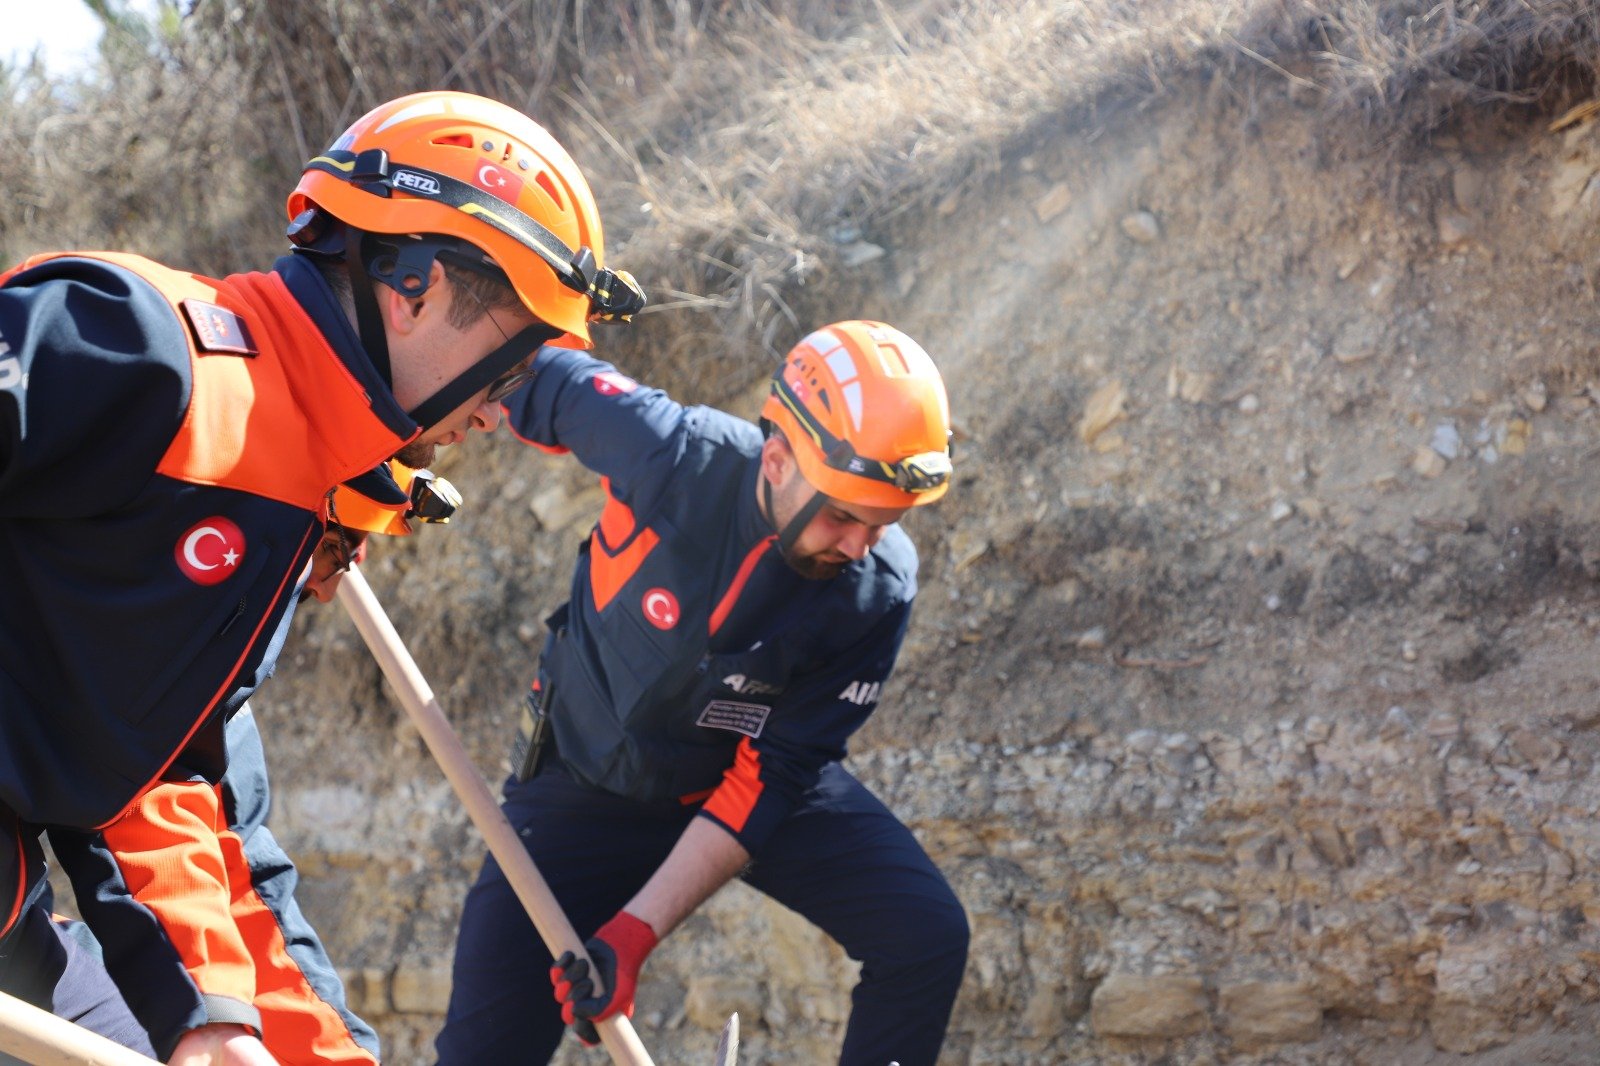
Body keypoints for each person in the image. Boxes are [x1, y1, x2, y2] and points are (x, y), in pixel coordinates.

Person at [0, 89, 641, 1065]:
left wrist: (214, 1019)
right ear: (414, 288)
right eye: (508, 367)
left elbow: (162, 777)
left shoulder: (287, 495)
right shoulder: (140, 344)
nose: (502, 412)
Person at [436, 320, 969, 1066]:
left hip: (741, 780)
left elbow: (777, 771)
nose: (858, 545)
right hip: (582, 791)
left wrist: (633, 933)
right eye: (844, 515)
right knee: (482, 1054)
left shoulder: (876, 588)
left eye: (882, 525)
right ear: (778, 459)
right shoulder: (670, 456)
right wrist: (382, 454)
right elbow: (514, 365)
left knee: (926, 935)